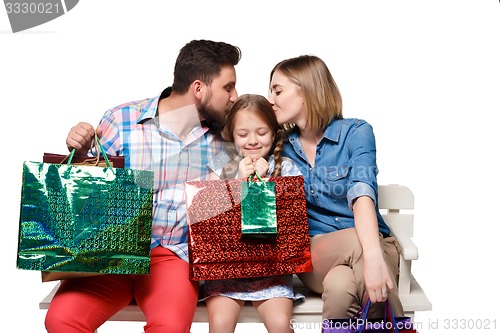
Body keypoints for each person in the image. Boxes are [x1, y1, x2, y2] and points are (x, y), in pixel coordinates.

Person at [44, 39, 241, 333]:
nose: (235, 96)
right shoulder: (122, 120)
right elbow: (86, 192)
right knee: (61, 320)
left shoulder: (225, 140)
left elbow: (221, 210)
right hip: (112, 254)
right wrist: (81, 153)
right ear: (199, 89)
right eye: (228, 87)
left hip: (172, 256)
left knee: (171, 327)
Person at [268, 55, 404, 319]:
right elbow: (232, 144)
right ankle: (398, 325)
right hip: (316, 253)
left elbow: (363, 193)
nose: (270, 100)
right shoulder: (278, 146)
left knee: (341, 288)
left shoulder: (355, 132)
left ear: (306, 91)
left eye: (278, 91)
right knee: (358, 243)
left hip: (373, 249)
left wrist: (374, 257)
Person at [202, 94, 303, 333]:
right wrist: (238, 182)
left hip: (272, 271)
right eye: (243, 134)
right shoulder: (222, 165)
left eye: (261, 132)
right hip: (226, 272)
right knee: (220, 324)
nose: (253, 141)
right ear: (231, 135)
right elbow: (208, 216)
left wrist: (265, 185)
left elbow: (293, 220)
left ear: (274, 132)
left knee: (280, 324)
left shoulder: (285, 167)